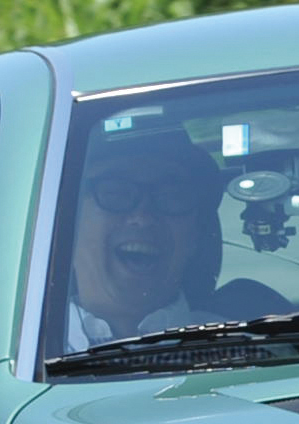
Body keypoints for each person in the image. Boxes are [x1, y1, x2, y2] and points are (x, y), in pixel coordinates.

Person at [66, 144, 268, 344]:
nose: (143, 217)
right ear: (68, 225)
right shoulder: (34, 349)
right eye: (116, 193)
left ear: (196, 237)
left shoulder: (248, 351)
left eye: (172, 197)